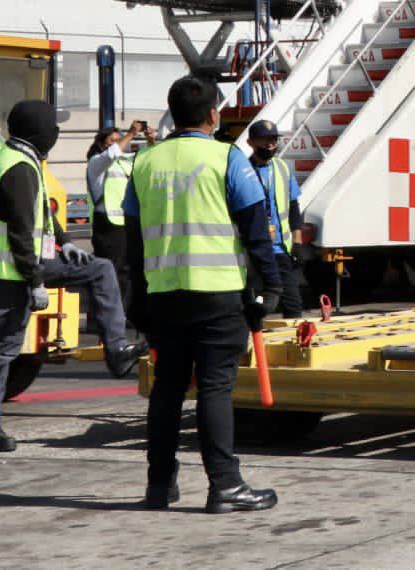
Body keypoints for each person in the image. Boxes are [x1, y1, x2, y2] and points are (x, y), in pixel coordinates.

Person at [122, 76, 282, 512]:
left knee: (167, 390)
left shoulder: (145, 163)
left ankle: (159, 485)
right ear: (213, 114)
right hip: (218, 294)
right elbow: (256, 230)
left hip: (163, 296)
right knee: (214, 387)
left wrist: (135, 298)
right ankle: (225, 485)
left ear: (173, 114)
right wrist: (271, 286)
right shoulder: (226, 158)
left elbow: (132, 243)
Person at [0, 100, 144, 453]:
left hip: (24, 267)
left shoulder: (22, 159)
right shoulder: (18, 167)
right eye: (51, 128)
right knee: (1, 351)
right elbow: (20, 232)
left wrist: (66, 242)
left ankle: (117, 349)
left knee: (100, 269)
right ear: (39, 131)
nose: (54, 135)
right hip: (15, 273)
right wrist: (35, 281)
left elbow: (40, 212)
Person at [86, 119, 155, 311]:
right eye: (113, 140)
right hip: (107, 225)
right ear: (102, 144)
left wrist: (150, 140)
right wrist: (131, 134)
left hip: (125, 223)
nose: (118, 144)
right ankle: (103, 316)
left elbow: (150, 158)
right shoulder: (97, 163)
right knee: (109, 273)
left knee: (127, 273)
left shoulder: (124, 163)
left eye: (119, 139)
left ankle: (122, 315)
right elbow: (113, 153)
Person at [245, 120, 305, 318]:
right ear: (250, 142)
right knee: (258, 303)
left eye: (273, 139)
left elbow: (294, 207)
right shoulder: (242, 170)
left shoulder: (282, 168)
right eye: (264, 139)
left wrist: (297, 243)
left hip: (280, 249)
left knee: (293, 305)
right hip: (252, 251)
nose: (270, 144)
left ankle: (295, 347)